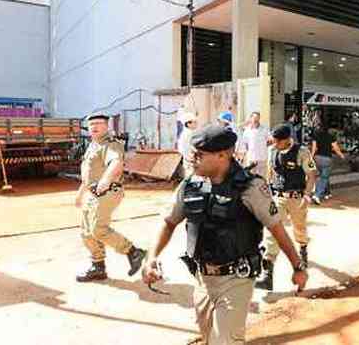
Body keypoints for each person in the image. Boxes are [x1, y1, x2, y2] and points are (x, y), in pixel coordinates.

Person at [141, 125, 307, 345]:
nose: (192, 158)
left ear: (222, 155)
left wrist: (297, 266)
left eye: (199, 154)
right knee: (209, 338)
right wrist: (151, 257)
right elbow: (169, 222)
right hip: (202, 280)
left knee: (225, 341)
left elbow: (277, 229)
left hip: (236, 279)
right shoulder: (190, 185)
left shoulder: (250, 187)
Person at [75, 112, 147, 282]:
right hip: (93, 193)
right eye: (91, 124)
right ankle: (98, 267)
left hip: (108, 191)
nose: (94, 127)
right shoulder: (93, 145)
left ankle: (133, 252)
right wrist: (80, 194)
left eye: (99, 123)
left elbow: (116, 163)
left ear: (107, 126)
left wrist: (106, 180)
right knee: (86, 232)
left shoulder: (110, 144)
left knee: (98, 229)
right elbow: (89, 175)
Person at [256, 124, 317, 291]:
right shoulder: (272, 151)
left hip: (297, 198)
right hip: (278, 197)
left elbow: (312, 175)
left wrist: (307, 195)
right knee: (272, 232)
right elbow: (269, 173)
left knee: (300, 229)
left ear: (287, 140)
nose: (274, 144)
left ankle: (302, 251)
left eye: (277, 141)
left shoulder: (302, 152)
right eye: (273, 141)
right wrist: (266, 193)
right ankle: (267, 275)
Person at [310, 124, 346, 204]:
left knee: (321, 176)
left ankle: (327, 192)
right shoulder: (331, 137)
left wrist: (311, 158)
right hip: (327, 159)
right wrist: (341, 155)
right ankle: (317, 195)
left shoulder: (316, 136)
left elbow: (314, 148)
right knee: (324, 177)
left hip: (317, 158)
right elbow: (336, 148)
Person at [237, 111, 271, 178]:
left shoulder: (265, 129)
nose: (256, 120)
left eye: (257, 118)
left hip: (262, 158)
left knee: (262, 178)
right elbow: (245, 144)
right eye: (254, 118)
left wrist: (263, 146)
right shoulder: (247, 131)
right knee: (251, 178)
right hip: (251, 159)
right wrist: (242, 157)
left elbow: (270, 140)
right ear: (251, 118)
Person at [177, 111, 198, 177]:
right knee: (190, 175)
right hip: (188, 158)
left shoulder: (188, 132)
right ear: (188, 124)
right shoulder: (188, 134)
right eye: (194, 122)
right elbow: (191, 147)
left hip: (188, 158)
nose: (196, 124)